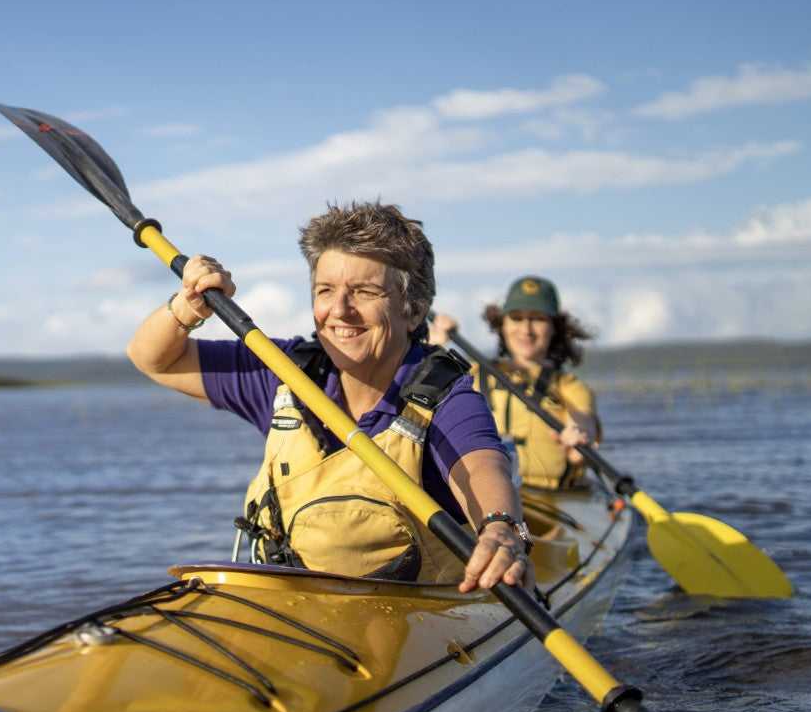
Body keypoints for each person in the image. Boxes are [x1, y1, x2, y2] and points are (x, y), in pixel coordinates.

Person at [126, 201, 530, 594]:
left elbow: (482, 466)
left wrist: (498, 527)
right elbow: (155, 360)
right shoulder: (283, 371)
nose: (339, 310)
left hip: (419, 623)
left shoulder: (444, 393)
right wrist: (187, 306)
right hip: (297, 613)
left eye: (364, 291)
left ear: (413, 310)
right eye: (325, 290)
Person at [428, 276, 599, 490]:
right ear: (502, 324)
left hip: (554, 500)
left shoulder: (571, 387)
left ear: (554, 327)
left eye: (537, 319)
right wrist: (432, 347)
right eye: (516, 318)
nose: (526, 329)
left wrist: (580, 436)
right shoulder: (470, 373)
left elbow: (584, 423)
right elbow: (419, 396)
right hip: (486, 493)